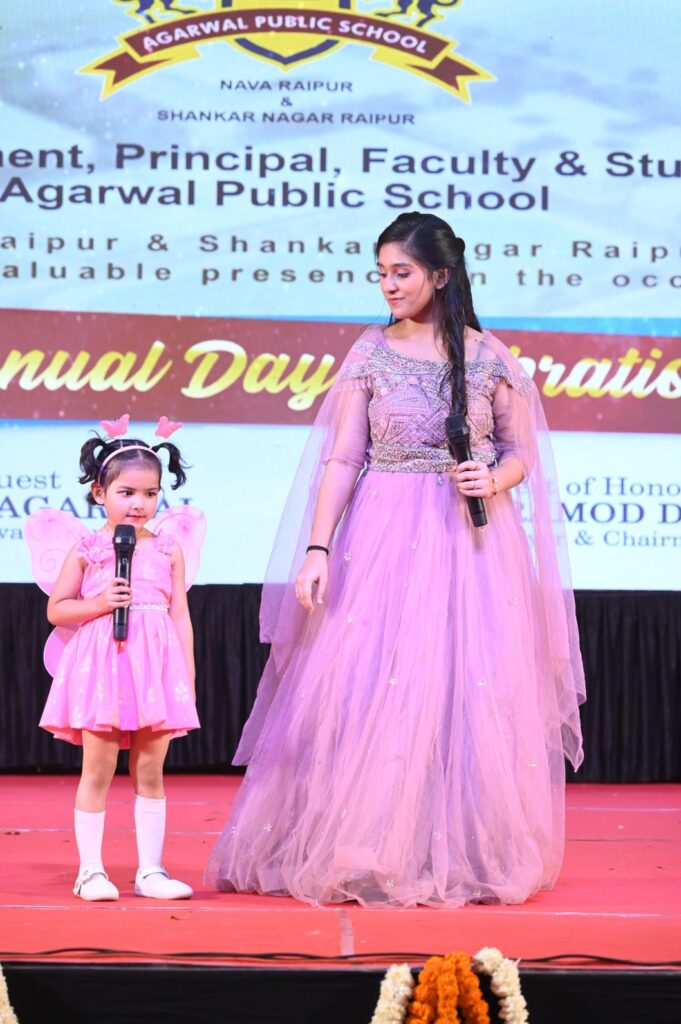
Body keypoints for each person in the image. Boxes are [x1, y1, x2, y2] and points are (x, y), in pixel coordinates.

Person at [206, 211, 586, 908]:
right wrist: (317, 547)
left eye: (401, 272)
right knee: (370, 688)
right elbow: (342, 457)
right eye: (381, 272)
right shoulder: (370, 352)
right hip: (381, 539)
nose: (388, 285)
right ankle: (367, 845)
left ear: (439, 275)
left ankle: (462, 850)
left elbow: (520, 454)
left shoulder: (488, 357)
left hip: (471, 545)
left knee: (466, 689)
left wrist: (492, 478)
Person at [25, 415, 205, 902]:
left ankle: (151, 871)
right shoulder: (88, 549)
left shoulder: (168, 549)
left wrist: (186, 676)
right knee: (98, 769)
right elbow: (57, 609)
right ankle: (90, 871)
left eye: (150, 493)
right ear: (99, 492)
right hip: (102, 667)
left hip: (155, 671)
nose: (139, 504)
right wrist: (101, 604)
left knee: (150, 771)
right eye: (127, 492)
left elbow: (180, 615)